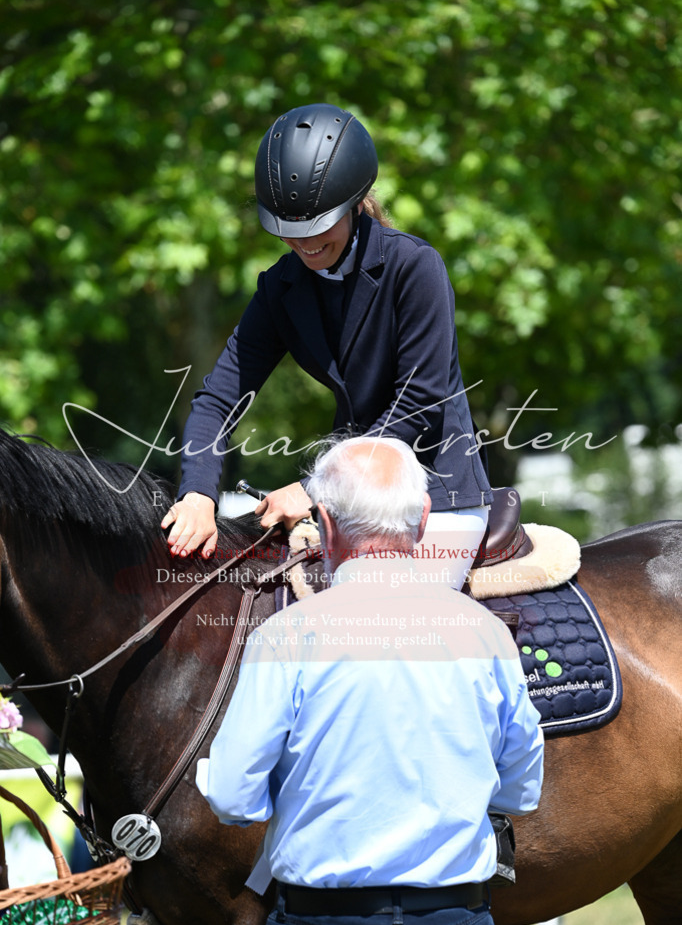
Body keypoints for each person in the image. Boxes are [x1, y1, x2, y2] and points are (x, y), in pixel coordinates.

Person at [196, 435, 544, 925]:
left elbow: (233, 798)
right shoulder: (486, 634)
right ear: (425, 518)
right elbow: (521, 790)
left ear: (325, 522)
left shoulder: (284, 638)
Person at [162, 102, 492, 588]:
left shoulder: (415, 268)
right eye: (290, 231)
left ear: (356, 202)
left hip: (434, 497)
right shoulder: (281, 288)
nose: (305, 244)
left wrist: (315, 488)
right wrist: (197, 494)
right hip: (346, 508)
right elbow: (218, 400)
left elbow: (419, 402)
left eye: (318, 227)